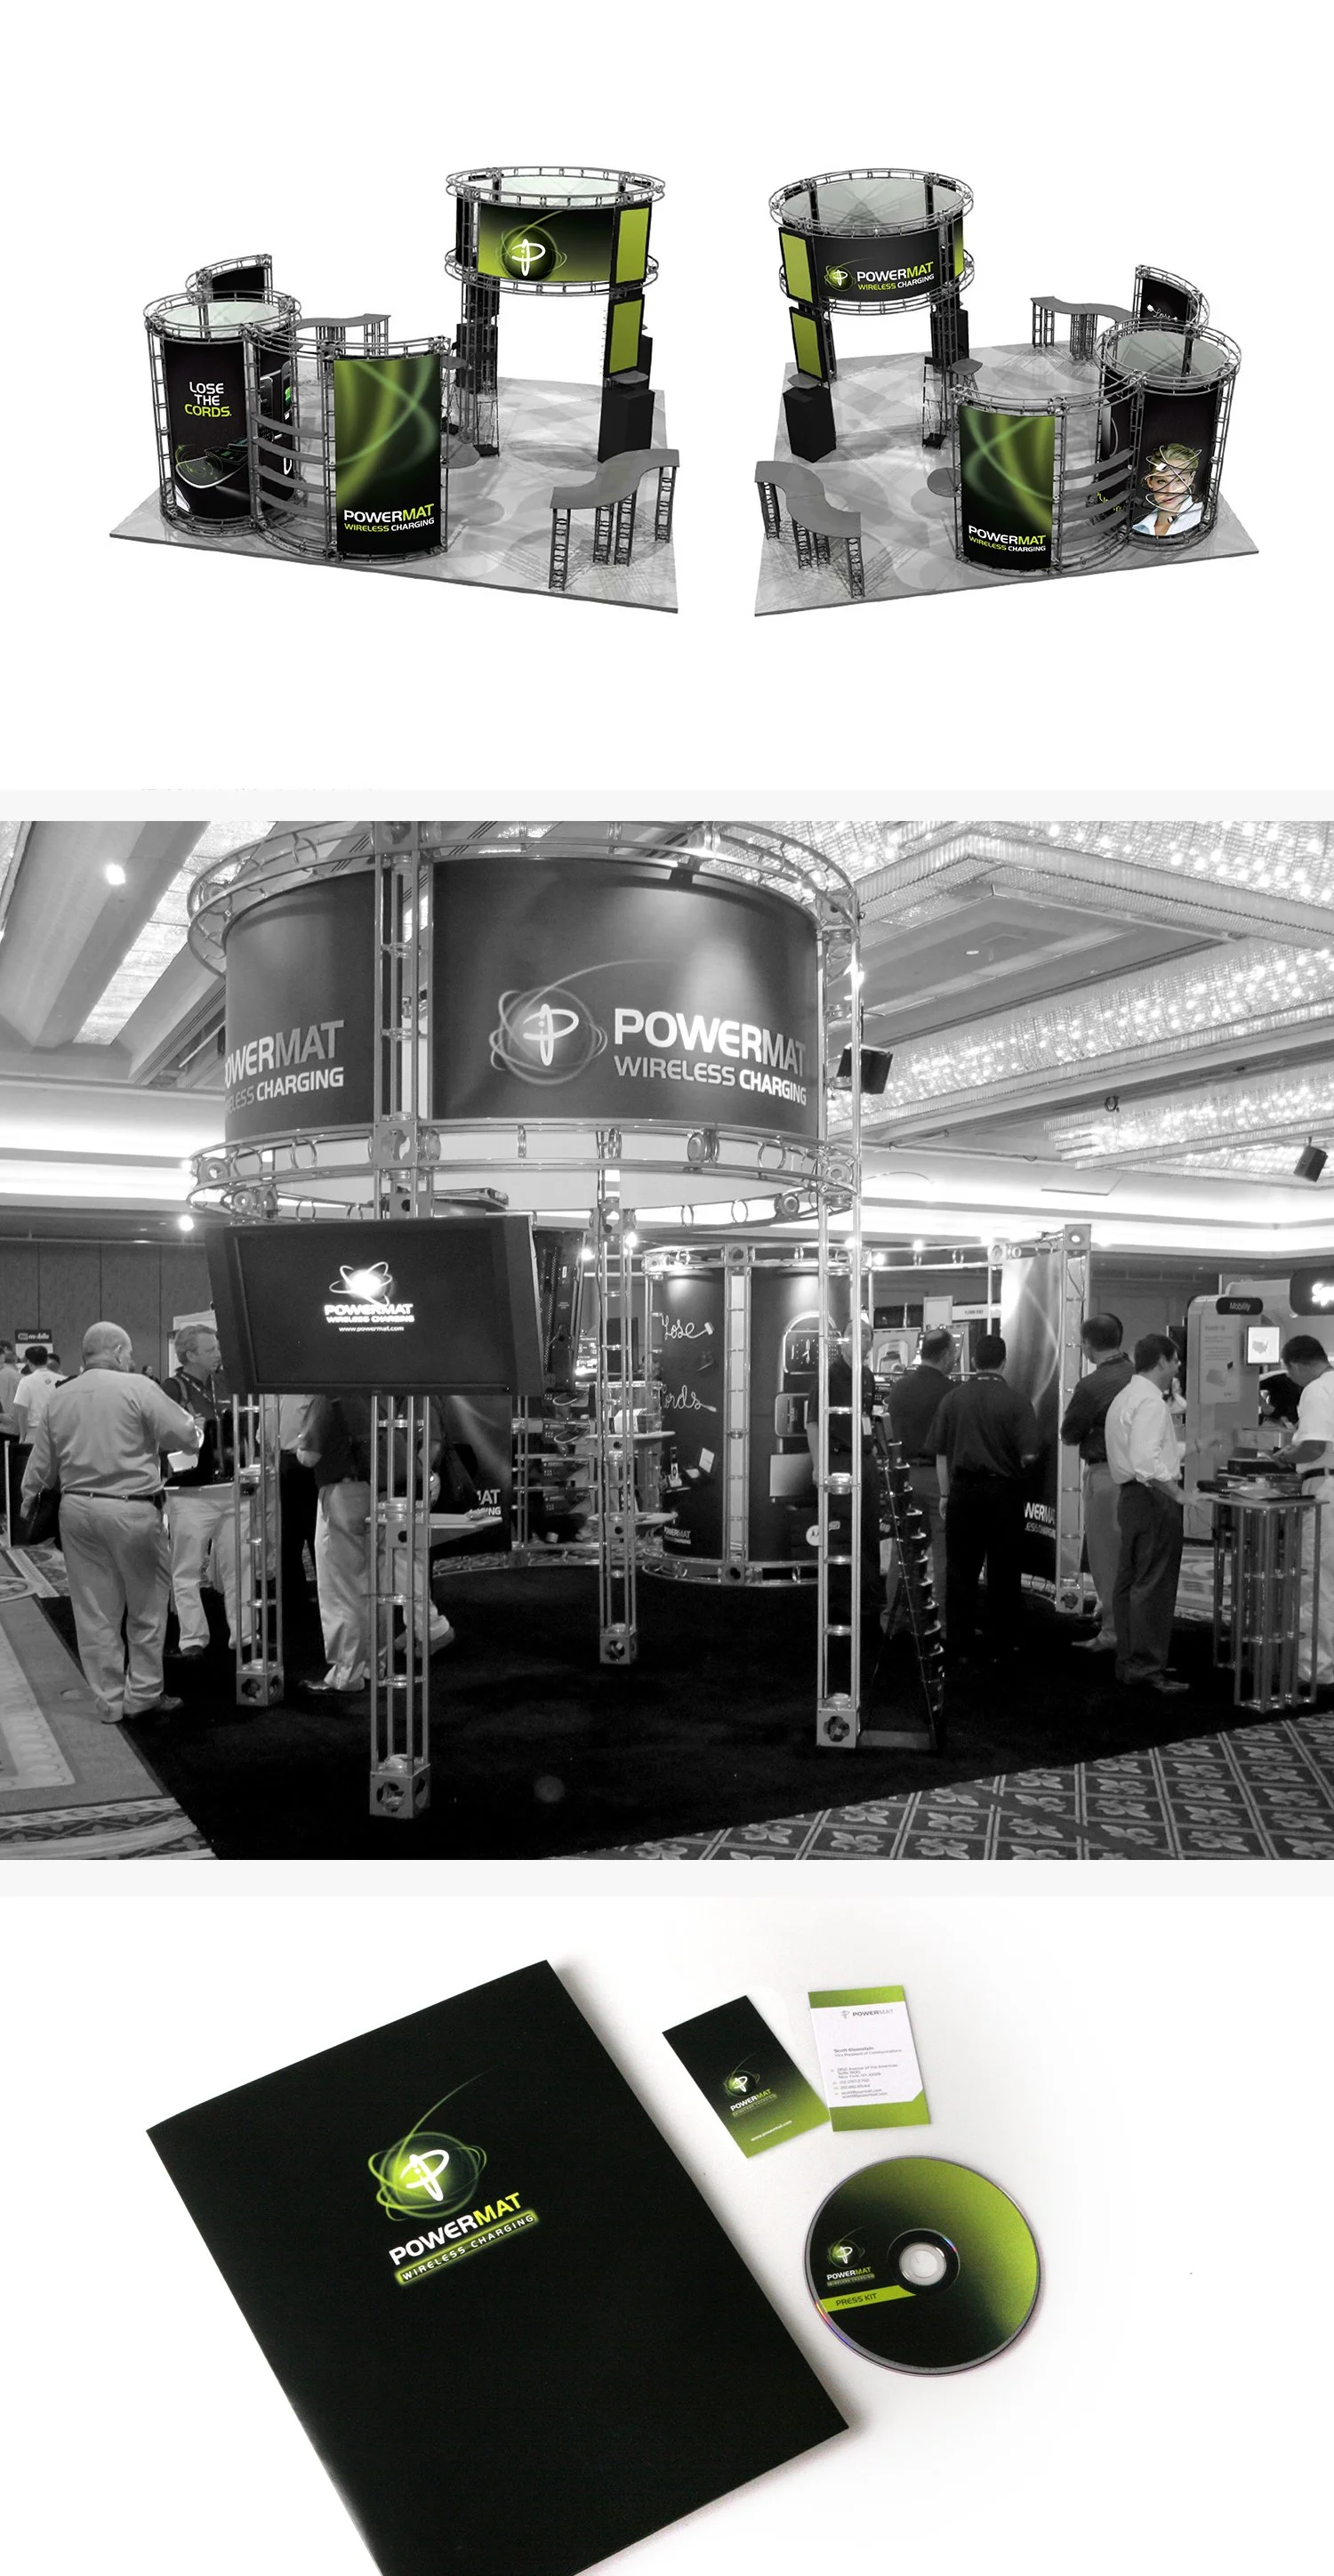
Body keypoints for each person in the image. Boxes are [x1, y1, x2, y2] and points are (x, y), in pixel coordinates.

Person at [18, 1321, 201, 1723]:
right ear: (118, 1352)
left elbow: (40, 1463)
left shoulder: (60, 1395)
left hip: (76, 1511)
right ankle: (144, 1694)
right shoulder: (138, 1387)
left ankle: (110, 1701)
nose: (131, 1359)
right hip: (131, 1508)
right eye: (129, 1353)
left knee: (94, 1612)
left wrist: (29, 1503)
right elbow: (185, 1437)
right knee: (147, 1605)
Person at [295, 1395, 454, 1700]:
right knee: (376, 1585)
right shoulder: (378, 1396)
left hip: (342, 1495)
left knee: (343, 1588)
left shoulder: (328, 1396)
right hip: (383, 1494)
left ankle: (347, 1674)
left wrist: (297, 1443)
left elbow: (308, 1456)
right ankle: (374, 1665)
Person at [929, 1334, 1041, 1660]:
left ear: (974, 1362)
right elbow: (1030, 1455)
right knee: (1004, 1570)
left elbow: (940, 1453)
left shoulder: (952, 1399)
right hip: (1003, 1494)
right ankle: (1002, 1643)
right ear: (1004, 1362)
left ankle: (959, 1644)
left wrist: (946, 1493)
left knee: (961, 1570)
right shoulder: (1017, 1402)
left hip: (963, 1492)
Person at [1105, 1332, 1186, 1695]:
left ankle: (1132, 1660)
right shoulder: (1151, 1402)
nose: (1178, 1367)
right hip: (1152, 1498)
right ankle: (1146, 1666)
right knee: (1153, 1584)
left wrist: (1191, 1447)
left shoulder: (1128, 1396)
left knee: (1132, 1581)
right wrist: (1179, 1494)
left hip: (1133, 1498)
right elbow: (1147, 1463)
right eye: (1176, 1360)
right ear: (1163, 1361)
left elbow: (1148, 1452)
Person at [163, 1323, 248, 1659]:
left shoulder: (224, 1383)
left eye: (217, 1348)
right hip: (191, 1493)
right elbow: (162, 1435)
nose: (218, 1354)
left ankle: (244, 1634)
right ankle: (192, 1639)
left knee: (240, 1566)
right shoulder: (172, 1388)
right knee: (187, 1569)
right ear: (190, 1355)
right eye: (210, 1349)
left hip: (231, 1486)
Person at [1059, 1313, 1134, 1654]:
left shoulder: (1092, 1385)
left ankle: (1113, 1633)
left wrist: (1093, 1430)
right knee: (1134, 1558)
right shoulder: (1139, 1376)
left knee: (1106, 1558)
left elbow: (1069, 1433)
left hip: (1106, 1476)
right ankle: (1126, 1623)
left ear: (1087, 1345)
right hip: (1143, 1479)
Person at [805, 1316, 884, 1619]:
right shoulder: (829, 1376)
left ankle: (868, 1600)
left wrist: (872, 1448)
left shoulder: (867, 1376)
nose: (860, 1337)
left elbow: (867, 1417)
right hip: (838, 1461)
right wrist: (818, 1465)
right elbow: (813, 1423)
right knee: (842, 1532)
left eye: (866, 1333)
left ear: (871, 1342)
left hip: (865, 1461)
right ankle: (841, 1603)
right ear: (843, 1340)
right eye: (853, 1332)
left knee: (869, 1530)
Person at [884, 1325, 955, 1630]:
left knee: (903, 1551)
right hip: (940, 1478)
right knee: (944, 1553)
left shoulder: (899, 1388)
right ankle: (942, 1623)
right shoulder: (951, 1391)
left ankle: (894, 1618)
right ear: (947, 1355)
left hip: (904, 1475)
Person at [1277, 1334, 1334, 1692]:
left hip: (1326, 1488)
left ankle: (1317, 1668)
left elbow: (1312, 1447)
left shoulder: (1316, 1390)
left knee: (1318, 1581)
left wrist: (1286, 1456)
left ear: (1296, 1365)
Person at [1133, 441, 1204, 539]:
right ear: (1150, 481)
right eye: (1162, 481)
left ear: (1190, 479)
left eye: (1180, 480)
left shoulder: (1204, 515)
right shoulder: (1138, 530)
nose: (1170, 491)